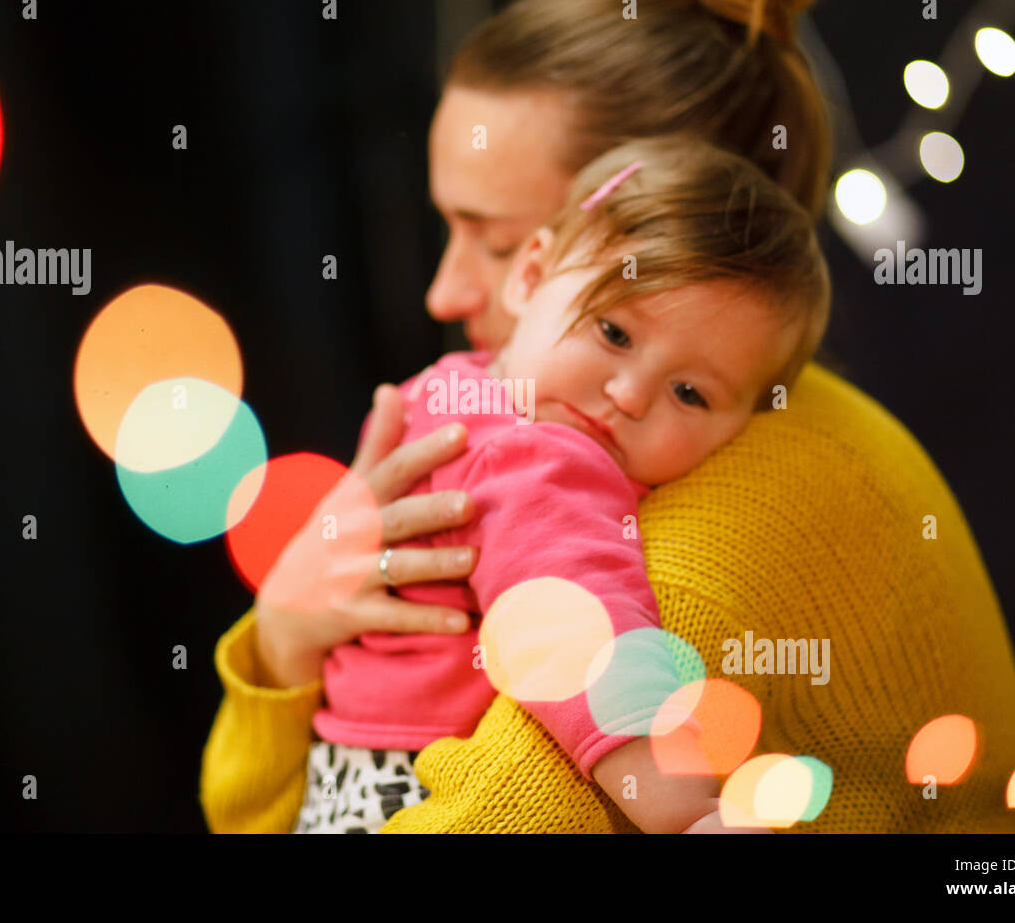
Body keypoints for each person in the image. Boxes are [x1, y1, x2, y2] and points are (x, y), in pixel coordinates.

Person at [202, 0, 1015, 833]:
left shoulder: (708, 538)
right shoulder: (579, 428)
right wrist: (285, 638)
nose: (443, 295)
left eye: (489, 238)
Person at [281, 134, 829, 832]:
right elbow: (577, 630)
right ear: (532, 276)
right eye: (614, 332)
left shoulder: (449, 392)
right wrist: (688, 814)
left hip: (341, 777)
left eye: (689, 393)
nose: (629, 394)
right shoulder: (537, 456)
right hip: (409, 785)